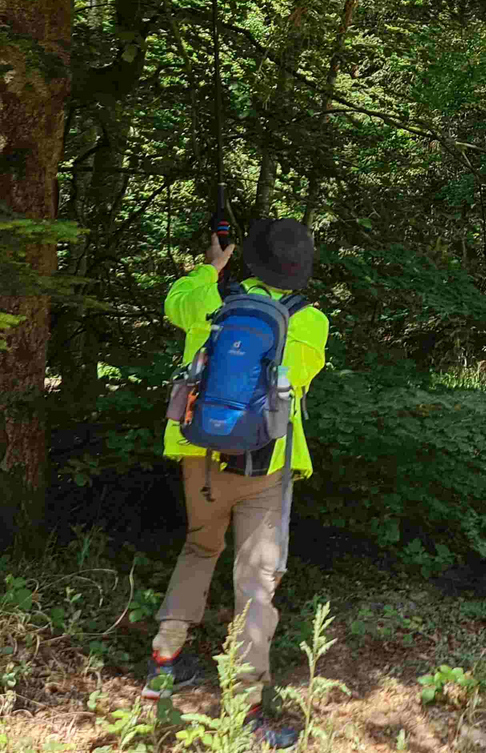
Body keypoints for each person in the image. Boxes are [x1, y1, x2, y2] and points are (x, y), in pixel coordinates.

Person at [145, 220, 328, 750]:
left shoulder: (209, 298)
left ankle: (163, 666)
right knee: (255, 581)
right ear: (300, 270)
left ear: (250, 258)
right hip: (264, 462)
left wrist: (211, 266)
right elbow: (297, 385)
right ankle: (246, 713)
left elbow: (174, 302)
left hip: (197, 454)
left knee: (200, 548)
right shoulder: (309, 321)